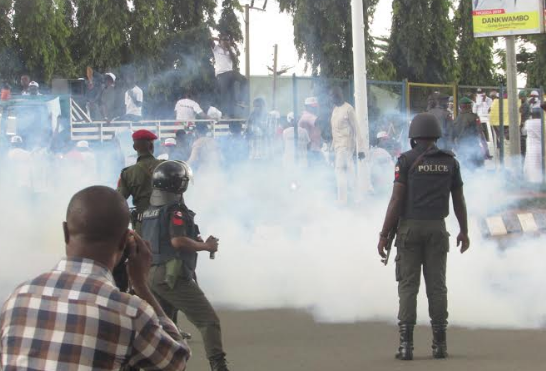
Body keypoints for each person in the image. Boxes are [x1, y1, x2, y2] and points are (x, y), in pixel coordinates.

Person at [0, 186, 190, 370]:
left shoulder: (18, 297)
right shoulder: (130, 312)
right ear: (124, 242)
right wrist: (141, 286)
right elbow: (177, 362)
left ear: (65, 232)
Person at [377, 113, 470, 361]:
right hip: (438, 230)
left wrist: (384, 234)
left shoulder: (405, 161)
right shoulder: (451, 162)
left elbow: (396, 200)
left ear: (413, 137)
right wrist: (464, 230)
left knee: (408, 287)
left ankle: (406, 347)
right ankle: (440, 346)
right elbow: (458, 200)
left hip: (409, 230)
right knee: (437, 287)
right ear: (436, 135)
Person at [141, 161, 230, 371]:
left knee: (165, 326)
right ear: (179, 185)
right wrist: (206, 245)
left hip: (151, 274)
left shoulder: (149, 212)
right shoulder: (175, 211)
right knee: (208, 321)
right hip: (170, 275)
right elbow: (177, 241)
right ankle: (219, 366)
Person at [117, 129, 163, 234]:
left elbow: (119, 199)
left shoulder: (127, 173)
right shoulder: (165, 166)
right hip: (166, 221)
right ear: (151, 146)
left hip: (143, 223)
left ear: (134, 148)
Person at [329, 86, 365, 205]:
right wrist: (331, 149)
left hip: (346, 146)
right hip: (338, 147)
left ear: (339, 95)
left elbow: (357, 129)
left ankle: (343, 200)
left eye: (334, 96)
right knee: (349, 172)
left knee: (340, 171)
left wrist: (361, 149)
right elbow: (334, 131)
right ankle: (356, 198)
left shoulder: (348, 109)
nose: (332, 98)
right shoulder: (334, 110)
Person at [211, 35, 245, 118]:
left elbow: (234, 60)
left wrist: (228, 48)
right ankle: (224, 114)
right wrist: (218, 39)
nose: (226, 42)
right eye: (224, 41)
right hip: (221, 74)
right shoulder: (216, 48)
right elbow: (209, 39)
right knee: (226, 94)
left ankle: (240, 100)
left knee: (244, 80)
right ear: (221, 41)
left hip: (230, 73)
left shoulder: (231, 49)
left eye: (227, 41)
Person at [452, 97, 490, 169]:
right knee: (479, 171)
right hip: (473, 148)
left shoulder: (456, 119)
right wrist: (486, 149)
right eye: (470, 105)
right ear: (469, 106)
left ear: (460, 107)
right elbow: (480, 133)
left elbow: (453, 138)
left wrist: (457, 149)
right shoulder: (474, 117)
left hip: (461, 150)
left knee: (465, 172)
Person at [298, 97, 323, 165]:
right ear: (306, 107)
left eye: (315, 106)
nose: (315, 108)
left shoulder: (306, 116)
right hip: (311, 150)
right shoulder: (307, 116)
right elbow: (319, 122)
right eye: (312, 107)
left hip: (312, 150)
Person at [523, 108, 543, 183]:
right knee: (541, 166)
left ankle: (533, 183)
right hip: (542, 147)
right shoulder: (543, 122)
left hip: (531, 148)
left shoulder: (528, 122)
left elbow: (524, 132)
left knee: (531, 167)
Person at [519, 91, 531, 158]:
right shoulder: (524, 103)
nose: (520, 98)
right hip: (523, 123)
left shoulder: (525, 104)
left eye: (520, 97)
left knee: (523, 138)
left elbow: (522, 113)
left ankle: (524, 152)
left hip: (525, 123)